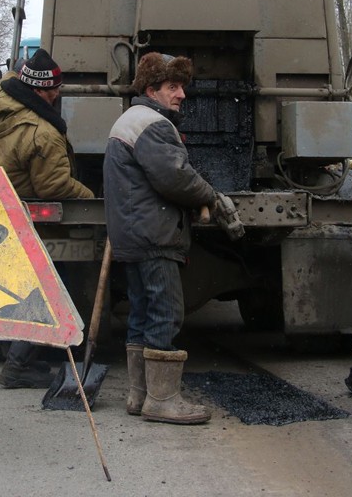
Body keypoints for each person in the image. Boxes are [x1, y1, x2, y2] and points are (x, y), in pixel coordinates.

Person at [103, 52, 218, 425]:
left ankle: (140, 395)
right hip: (154, 235)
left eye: (181, 86)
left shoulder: (131, 119)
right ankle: (163, 400)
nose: (181, 94)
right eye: (173, 86)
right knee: (166, 313)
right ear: (151, 90)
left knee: (142, 313)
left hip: (134, 235)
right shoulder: (152, 124)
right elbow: (175, 177)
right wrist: (210, 195)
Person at [0, 48, 94, 389]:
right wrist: (91, 198)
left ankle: (11, 351)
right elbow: (53, 185)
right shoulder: (43, 133)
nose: (57, 95)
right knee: (47, 286)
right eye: (53, 90)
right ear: (40, 91)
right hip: (26, 217)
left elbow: (12, 76)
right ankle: (18, 366)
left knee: (9, 284)